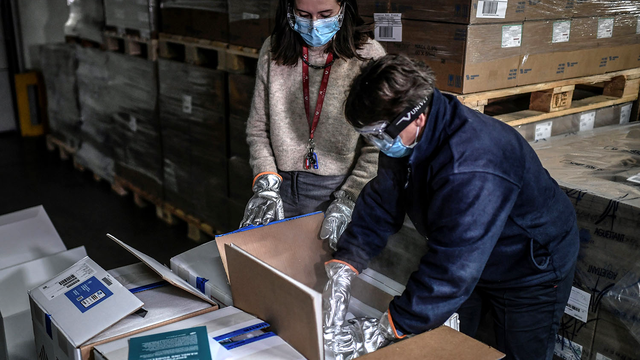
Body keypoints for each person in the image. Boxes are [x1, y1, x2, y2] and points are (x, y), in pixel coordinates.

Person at [322, 54, 580, 360]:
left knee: (521, 354)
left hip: (527, 268)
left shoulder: (471, 164)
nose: (376, 143)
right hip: (471, 256)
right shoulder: (403, 136)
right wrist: (347, 263)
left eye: (378, 134)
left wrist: (388, 327)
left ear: (416, 116)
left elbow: (452, 267)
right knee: (448, 346)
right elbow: (383, 200)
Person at [239, 0, 385, 249]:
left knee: (323, 275)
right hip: (278, 185)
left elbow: (377, 144)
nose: (315, 24)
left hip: (336, 190)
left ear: (344, 9)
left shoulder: (368, 56)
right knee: (275, 272)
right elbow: (258, 128)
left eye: (326, 14)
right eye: (303, 14)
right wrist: (266, 183)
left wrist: (350, 196)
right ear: (289, 11)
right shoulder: (273, 50)